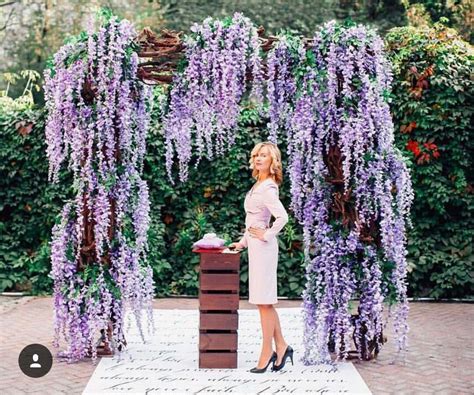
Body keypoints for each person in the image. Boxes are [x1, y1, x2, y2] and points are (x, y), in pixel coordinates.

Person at [230, 141, 294, 373]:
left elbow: (282, 218)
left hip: (265, 250)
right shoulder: (258, 184)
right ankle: (282, 345)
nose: (258, 158)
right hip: (256, 248)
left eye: (264, 155)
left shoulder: (268, 187)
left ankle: (267, 351)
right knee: (264, 302)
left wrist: (266, 235)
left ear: (272, 161)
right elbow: (253, 222)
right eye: (256, 154)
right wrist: (243, 242)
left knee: (264, 302)